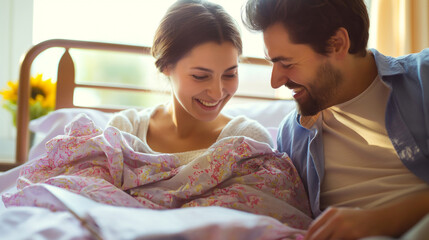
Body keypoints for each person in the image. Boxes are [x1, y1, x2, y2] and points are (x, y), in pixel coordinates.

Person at [243, 0, 429, 239]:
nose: (275, 81)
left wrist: (381, 221)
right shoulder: (291, 134)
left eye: (286, 63)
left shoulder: (423, 77)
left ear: (337, 44)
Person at [108, 0, 273, 165]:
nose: (217, 93)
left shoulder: (250, 142)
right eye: (200, 76)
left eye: (230, 74)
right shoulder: (124, 131)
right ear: (166, 65)